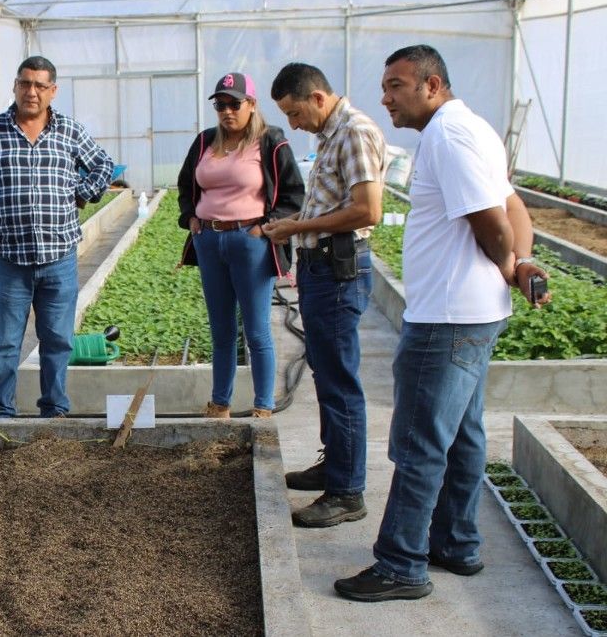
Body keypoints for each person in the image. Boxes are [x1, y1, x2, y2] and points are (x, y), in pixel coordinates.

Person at [335, 45, 552, 601]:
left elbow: (496, 223)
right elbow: (516, 207)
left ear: (432, 85)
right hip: (472, 315)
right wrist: (521, 263)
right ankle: (456, 543)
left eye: (396, 86)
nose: (385, 98)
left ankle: (401, 564)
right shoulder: (474, 128)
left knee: (419, 443)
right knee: (462, 434)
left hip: (447, 317)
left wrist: (508, 259)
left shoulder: (449, 136)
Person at [0, 56, 113, 418]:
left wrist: (83, 193)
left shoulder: (69, 132)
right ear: (15, 86)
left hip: (58, 257)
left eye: (41, 86)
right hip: (9, 260)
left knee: (57, 341)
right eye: (25, 83)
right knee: (5, 344)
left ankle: (54, 409)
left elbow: (104, 165)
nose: (32, 92)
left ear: (53, 91)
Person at [264, 63, 386, 528]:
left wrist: (298, 226)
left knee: (339, 382)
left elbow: (366, 209)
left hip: (338, 270)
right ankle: (335, 466)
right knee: (325, 373)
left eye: (295, 113)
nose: (293, 125)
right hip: (321, 267)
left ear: (317, 97)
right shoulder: (331, 135)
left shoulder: (354, 132)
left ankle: (347, 492)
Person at [176, 72, 304, 419]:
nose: (227, 111)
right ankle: (220, 403)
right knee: (220, 329)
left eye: (235, 104)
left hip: (250, 242)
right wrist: (191, 218)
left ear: (251, 105)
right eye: (220, 104)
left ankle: (262, 405)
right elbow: (186, 183)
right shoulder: (205, 142)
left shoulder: (269, 141)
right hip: (209, 240)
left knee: (257, 329)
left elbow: (294, 194)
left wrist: (266, 228)